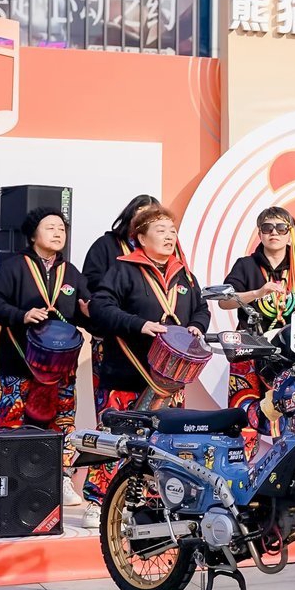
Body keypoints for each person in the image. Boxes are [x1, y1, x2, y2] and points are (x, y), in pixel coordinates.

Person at [84, 205, 210, 528]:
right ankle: (98, 503)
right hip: (127, 374)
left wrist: (196, 325)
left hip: (169, 384)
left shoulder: (185, 275)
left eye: (172, 231)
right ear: (141, 238)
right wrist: (139, 325)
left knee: (163, 446)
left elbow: (202, 309)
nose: (169, 236)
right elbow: (100, 308)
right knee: (115, 440)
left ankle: (155, 505)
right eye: (160, 230)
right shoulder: (124, 269)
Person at [0, 209, 89, 513]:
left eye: (61, 228)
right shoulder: (15, 267)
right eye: (50, 227)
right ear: (32, 235)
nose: (58, 233)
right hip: (18, 363)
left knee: (63, 423)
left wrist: (91, 313)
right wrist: (21, 315)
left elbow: (84, 311)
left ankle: (62, 478)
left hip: (61, 369)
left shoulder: (71, 273)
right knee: (6, 422)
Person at [218, 207, 295, 426]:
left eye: (281, 228)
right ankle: (243, 448)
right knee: (244, 412)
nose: (274, 232)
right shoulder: (246, 265)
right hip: (251, 346)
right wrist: (257, 293)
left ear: (290, 234)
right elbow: (224, 301)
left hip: (292, 350)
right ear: (260, 233)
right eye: (267, 228)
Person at [80, 194, 160, 415]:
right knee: (113, 406)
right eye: (140, 214)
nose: (144, 220)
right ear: (129, 216)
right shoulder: (106, 245)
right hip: (113, 336)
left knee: (155, 411)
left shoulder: (162, 252)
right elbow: (89, 283)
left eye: (151, 217)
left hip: (149, 340)